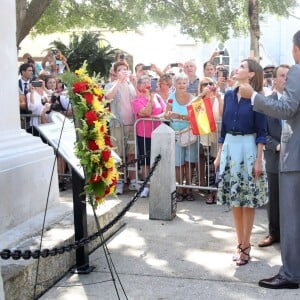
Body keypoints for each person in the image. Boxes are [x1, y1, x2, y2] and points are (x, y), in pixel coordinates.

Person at [239, 30, 300, 289]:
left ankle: (291, 274)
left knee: (291, 221)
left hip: (295, 157)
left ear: (296, 47)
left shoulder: (298, 71)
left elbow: (287, 109)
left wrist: (252, 96)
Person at [214, 58, 268, 266]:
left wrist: (258, 160)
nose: (238, 68)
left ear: (252, 74)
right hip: (230, 147)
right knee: (235, 200)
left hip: (248, 148)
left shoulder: (258, 97)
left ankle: (246, 246)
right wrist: (219, 155)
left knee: (248, 201)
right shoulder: (228, 95)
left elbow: (262, 132)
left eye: (243, 67)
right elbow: (224, 128)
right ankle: (239, 244)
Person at [258, 64, 290, 248]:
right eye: (282, 75)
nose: (285, 79)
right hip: (274, 157)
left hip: (294, 158)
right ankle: (273, 233)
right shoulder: (267, 103)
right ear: (275, 80)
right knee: (274, 199)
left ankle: (290, 235)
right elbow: (263, 133)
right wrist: (276, 146)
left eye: (288, 76)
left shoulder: (296, 102)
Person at [105, 61, 137, 194]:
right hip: (117, 124)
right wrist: (118, 81)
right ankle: (118, 182)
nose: (123, 71)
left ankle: (133, 181)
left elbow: (138, 99)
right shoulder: (111, 85)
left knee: (131, 154)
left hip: (132, 124)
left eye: (125, 69)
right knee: (118, 155)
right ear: (115, 72)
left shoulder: (131, 85)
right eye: (120, 69)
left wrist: (134, 82)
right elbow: (107, 97)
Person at [165, 73, 198, 202]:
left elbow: (196, 117)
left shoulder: (193, 98)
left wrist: (180, 116)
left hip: (190, 133)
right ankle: (179, 189)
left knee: (189, 163)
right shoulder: (170, 98)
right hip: (176, 134)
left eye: (184, 83)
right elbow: (166, 114)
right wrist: (170, 114)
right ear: (175, 84)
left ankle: (189, 189)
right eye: (179, 83)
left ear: (187, 84)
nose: (182, 85)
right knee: (178, 164)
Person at [132, 75, 166, 197]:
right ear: (139, 86)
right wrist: (151, 100)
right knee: (145, 161)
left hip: (158, 132)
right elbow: (145, 112)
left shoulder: (157, 97)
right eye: (144, 82)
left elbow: (164, 110)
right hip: (144, 134)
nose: (147, 84)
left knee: (157, 159)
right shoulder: (137, 100)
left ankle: (158, 185)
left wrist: (158, 116)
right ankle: (145, 186)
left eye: (149, 82)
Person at [197, 77, 222, 204]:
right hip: (205, 136)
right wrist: (202, 95)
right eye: (204, 84)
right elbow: (190, 107)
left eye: (210, 83)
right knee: (209, 165)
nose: (208, 85)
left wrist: (218, 97)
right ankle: (210, 192)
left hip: (218, 135)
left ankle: (218, 191)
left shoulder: (219, 97)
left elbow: (223, 114)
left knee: (217, 164)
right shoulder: (199, 100)